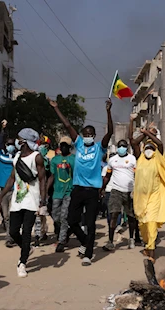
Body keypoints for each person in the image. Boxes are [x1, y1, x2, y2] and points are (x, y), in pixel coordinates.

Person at [49, 98, 113, 266]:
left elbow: (110, 132)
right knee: (71, 220)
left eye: (90, 135)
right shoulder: (78, 144)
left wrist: (108, 111)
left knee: (90, 223)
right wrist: (56, 108)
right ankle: (85, 241)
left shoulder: (99, 148)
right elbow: (68, 125)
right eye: (85, 134)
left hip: (92, 190)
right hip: (77, 189)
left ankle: (88, 255)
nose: (87, 137)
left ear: (94, 136)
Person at [0, 128, 46, 278]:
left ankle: (22, 262)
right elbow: (12, 178)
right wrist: (1, 196)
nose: (16, 142)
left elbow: (42, 179)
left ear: (23, 141)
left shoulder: (37, 157)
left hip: (32, 199)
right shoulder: (16, 156)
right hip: (17, 199)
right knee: (13, 231)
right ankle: (27, 249)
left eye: (18, 139)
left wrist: (43, 201)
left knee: (26, 232)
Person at [131, 126, 165, 263]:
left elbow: (159, 144)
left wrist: (147, 133)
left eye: (151, 149)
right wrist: (143, 135)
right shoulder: (139, 158)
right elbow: (134, 143)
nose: (149, 150)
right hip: (140, 199)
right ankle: (147, 244)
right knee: (142, 225)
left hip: (154, 197)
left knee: (151, 223)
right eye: (147, 148)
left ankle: (151, 252)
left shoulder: (158, 159)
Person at [102, 139, 137, 251]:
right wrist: (102, 187)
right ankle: (110, 241)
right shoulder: (112, 160)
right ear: (117, 148)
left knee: (131, 216)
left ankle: (131, 238)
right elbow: (107, 175)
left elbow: (137, 174)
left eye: (124, 146)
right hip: (116, 190)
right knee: (113, 215)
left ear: (127, 147)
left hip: (129, 191)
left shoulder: (132, 159)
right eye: (120, 146)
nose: (121, 148)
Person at [47, 136, 75, 253]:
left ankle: (62, 241)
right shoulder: (55, 160)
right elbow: (52, 176)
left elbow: (76, 175)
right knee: (55, 215)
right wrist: (45, 191)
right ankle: (64, 232)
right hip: (57, 192)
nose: (63, 147)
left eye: (65, 146)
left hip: (69, 191)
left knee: (64, 216)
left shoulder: (74, 159)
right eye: (61, 145)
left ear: (69, 147)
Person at [0, 128, 17, 247]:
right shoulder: (1, 155)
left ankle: (10, 237)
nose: (10, 146)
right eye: (8, 144)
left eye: (12, 144)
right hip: (2, 189)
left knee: (11, 214)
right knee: (6, 215)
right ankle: (11, 234)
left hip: (14, 189)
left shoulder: (17, 157)